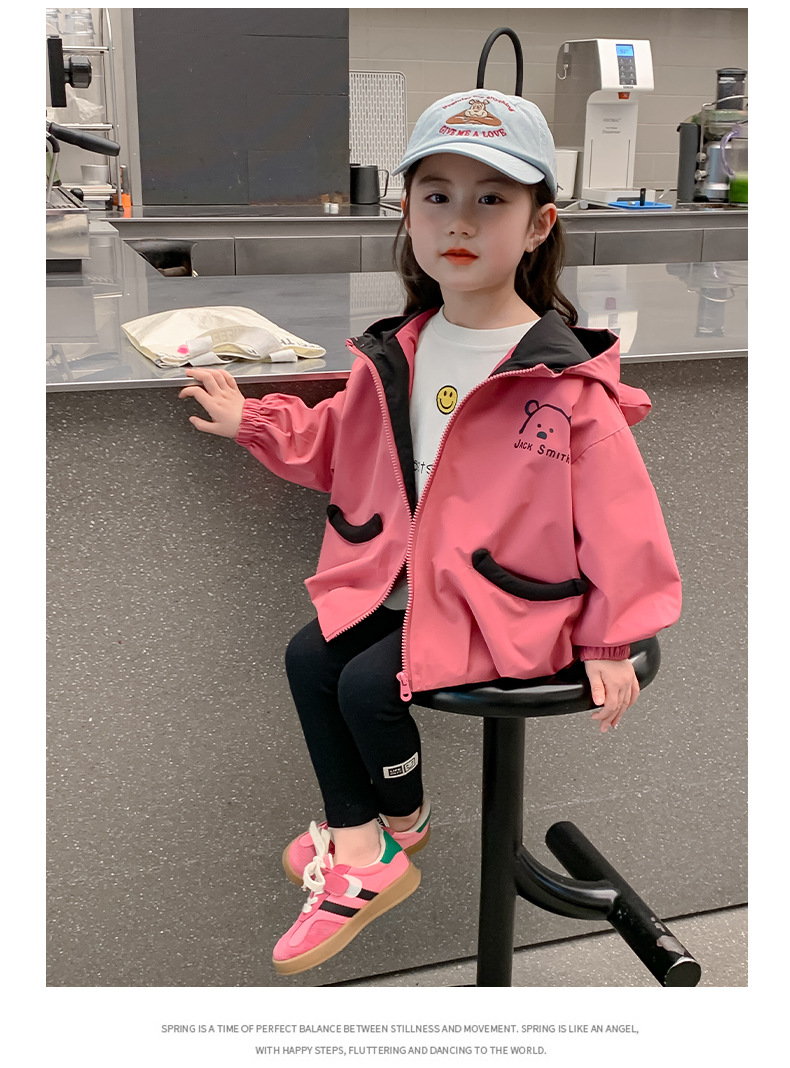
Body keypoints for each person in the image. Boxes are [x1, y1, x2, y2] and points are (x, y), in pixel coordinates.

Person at [177, 88, 682, 977]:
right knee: (308, 657)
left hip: (503, 603)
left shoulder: (564, 382)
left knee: (368, 686)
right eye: (437, 195)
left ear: (538, 226)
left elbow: (622, 520)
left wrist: (612, 635)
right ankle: (368, 840)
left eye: (492, 198)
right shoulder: (399, 351)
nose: (461, 220)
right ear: (407, 215)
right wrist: (252, 421)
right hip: (406, 580)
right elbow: (337, 443)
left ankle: (391, 834)